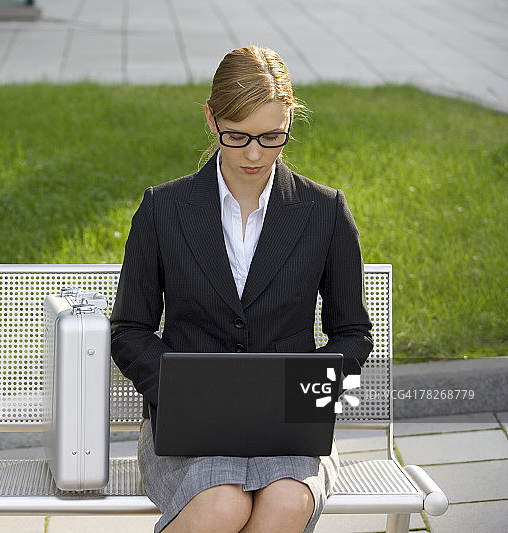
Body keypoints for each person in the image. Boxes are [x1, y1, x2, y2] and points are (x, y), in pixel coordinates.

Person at [110, 45, 373, 533]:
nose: (254, 154)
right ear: (212, 120)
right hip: (187, 430)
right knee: (222, 505)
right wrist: (184, 394)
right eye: (237, 136)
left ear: (290, 120)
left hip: (290, 429)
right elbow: (129, 330)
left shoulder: (325, 212)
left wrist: (307, 396)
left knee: (288, 502)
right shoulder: (163, 210)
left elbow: (353, 332)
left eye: (272, 137)